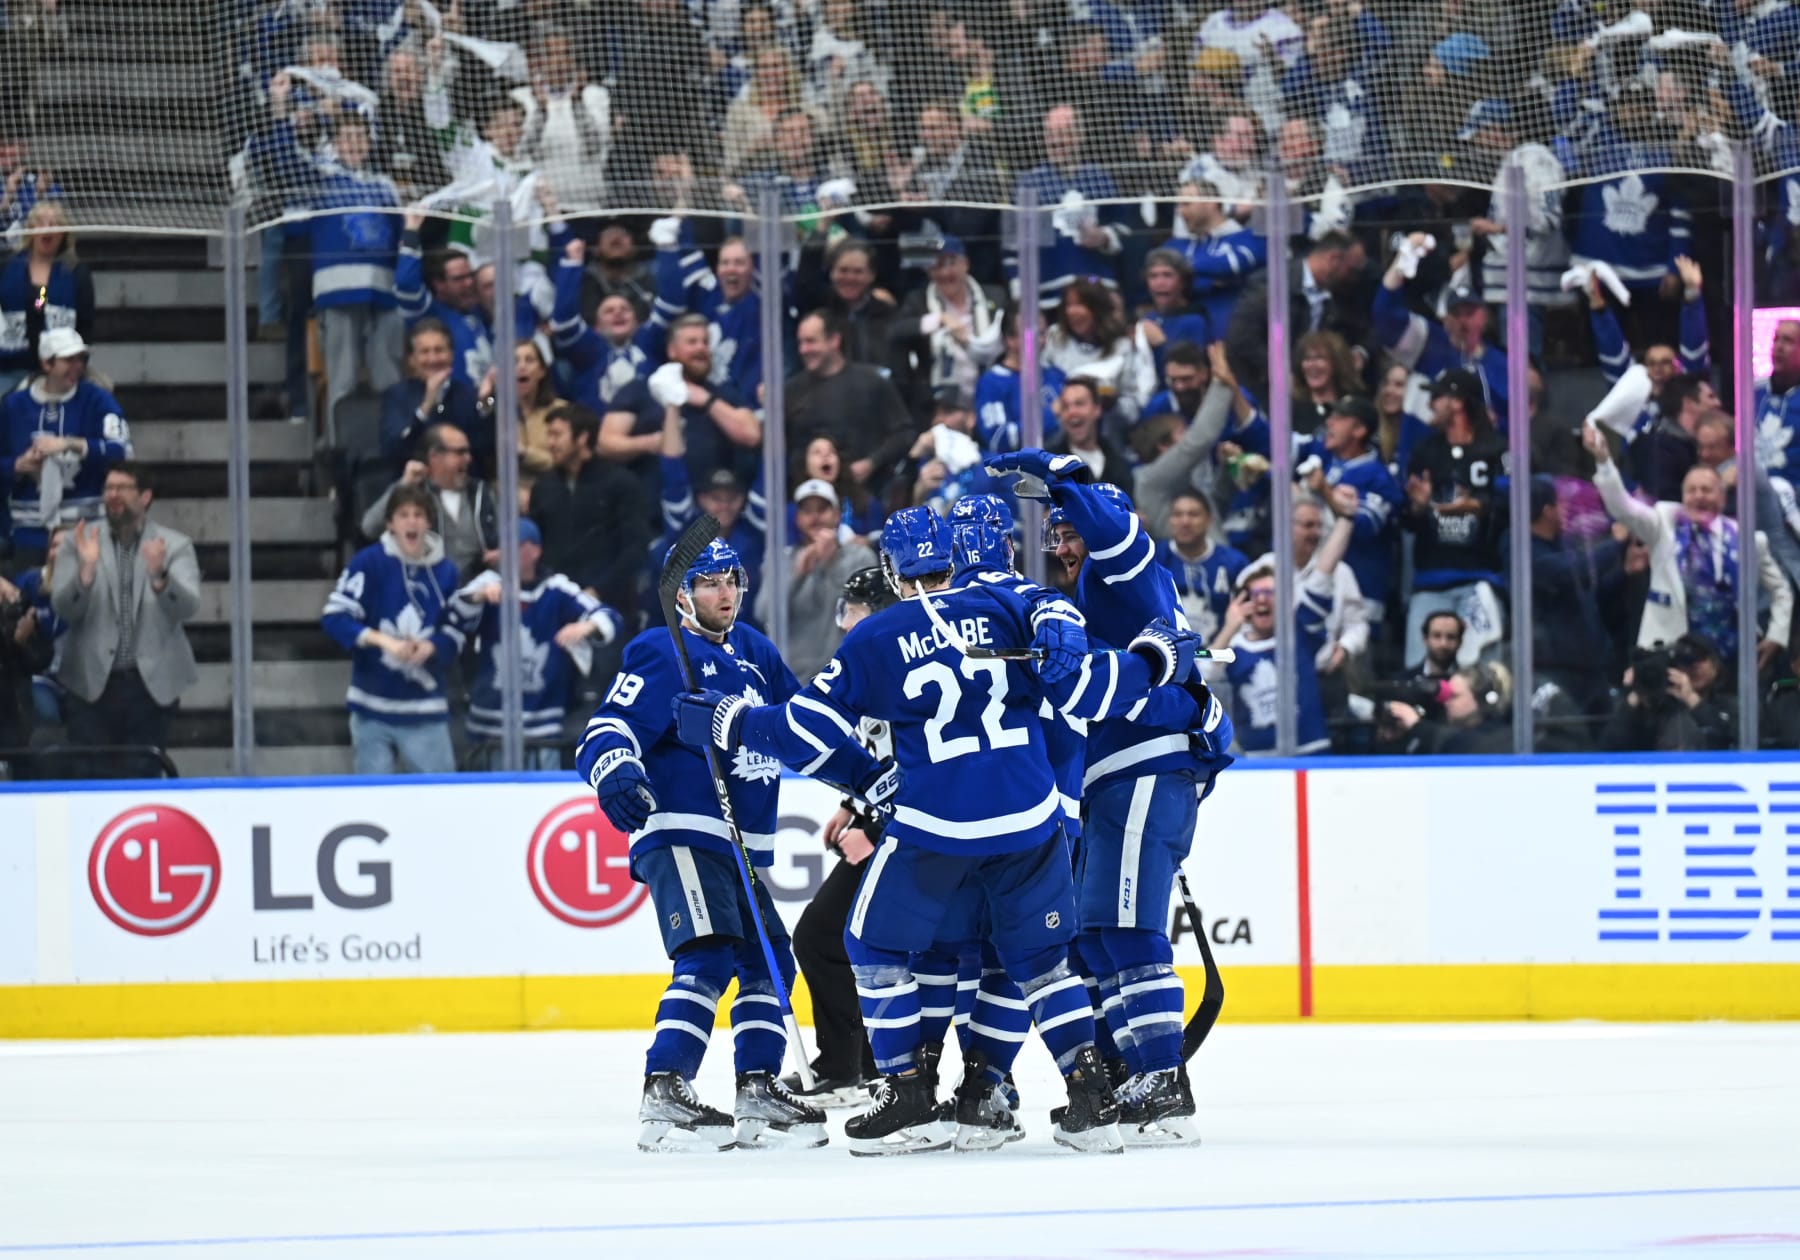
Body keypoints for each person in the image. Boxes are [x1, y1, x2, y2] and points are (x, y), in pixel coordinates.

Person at [672, 507, 1206, 1155]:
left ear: (894, 572)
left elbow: (805, 733)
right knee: (1035, 962)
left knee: (872, 944)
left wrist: (729, 720)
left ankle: (911, 1094)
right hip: (1034, 813)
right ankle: (1082, 1095)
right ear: (958, 559)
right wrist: (1156, 662)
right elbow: (1091, 685)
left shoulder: (879, 636)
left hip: (940, 821)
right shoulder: (1017, 608)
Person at [576, 537, 885, 1152]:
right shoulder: (664, 650)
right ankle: (665, 1087)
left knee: (770, 960)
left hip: (738, 846)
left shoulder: (756, 653)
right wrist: (616, 768)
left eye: (733, 581)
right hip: (684, 829)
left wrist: (870, 779)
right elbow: (607, 727)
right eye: (711, 583)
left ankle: (758, 1089)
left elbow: (801, 732)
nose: (726, 594)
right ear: (682, 596)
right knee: (710, 955)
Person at [989, 451, 1236, 1147]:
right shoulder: (1092, 592)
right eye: (1055, 536)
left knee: (1126, 929)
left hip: (1144, 769)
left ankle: (1162, 1077)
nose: (1063, 547)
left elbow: (1118, 534)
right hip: (1116, 777)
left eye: (1071, 531)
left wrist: (1068, 474)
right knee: (1098, 937)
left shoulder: (1122, 571)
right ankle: (1139, 1070)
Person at [782, 565, 893, 1103]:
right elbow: (884, 758)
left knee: (834, 938)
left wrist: (878, 830)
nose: (847, 626)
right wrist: (855, 804)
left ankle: (863, 1066)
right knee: (834, 938)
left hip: (911, 829)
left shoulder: (896, 661)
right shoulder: (878, 659)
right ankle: (857, 1064)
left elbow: (928, 768)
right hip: (891, 819)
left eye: (856, 612)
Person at [1585, 423, 1791, 677]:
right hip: (1670, 656)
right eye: (1691, 490)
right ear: (1682, 497)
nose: (1699, 496)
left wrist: (1777, 635)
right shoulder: (1663, 525)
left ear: (1722, 498)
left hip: (1731, 661)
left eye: (1707, 490)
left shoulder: (1748, 539)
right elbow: (1623, 507)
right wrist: (1604, 461)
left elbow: (1781, 590)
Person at [47, 463, 198, 767]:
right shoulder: (80, 543)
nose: (112, 495)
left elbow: (188, 606)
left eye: (122, 488)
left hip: (150, 685)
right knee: (91, 779)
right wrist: (85, 575)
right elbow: (63, 609)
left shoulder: (174, 545)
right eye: (108, 488)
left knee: (140, 778)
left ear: (145, 497)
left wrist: (161, 579)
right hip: (90, 685)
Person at [442, 519, 622, 771]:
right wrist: (479, 596)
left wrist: (586, 626)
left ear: (535, 550)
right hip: (491, 725)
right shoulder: (488, 582)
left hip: (544, 723)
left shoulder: (555, 588)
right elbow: (452, 614)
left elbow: (610, 618)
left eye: (517, 545)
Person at [321, 483, 461, 775]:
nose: (411, 521)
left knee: (440, 801)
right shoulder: (369, 563)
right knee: (373, 801)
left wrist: (432, 646)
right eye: (403, 514)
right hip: (372, 708)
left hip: (425, 711)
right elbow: (335, 616)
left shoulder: (446, 572)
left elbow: (456, 629)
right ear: (390, 524)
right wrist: (385, 642)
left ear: (428, 522)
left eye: (418, 514)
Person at [1211, 492, 1358, 755]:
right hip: (1258, 765)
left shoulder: (1299, 634)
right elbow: (1202, 671)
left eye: (1271, 593)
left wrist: (1346, 519)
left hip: (1311, 753)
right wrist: (1229, 625)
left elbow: (1323, 574)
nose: (1263, 600)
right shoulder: (1233, 647)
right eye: (1256, 595)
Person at [1401, 369, 1508, 670]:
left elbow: (1513, 505)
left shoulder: (1498, 449)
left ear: (1458, 403)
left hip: (1481, 578)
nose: (1431, 403)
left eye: (1438, 396)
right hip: (1430, 580)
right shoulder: (1424, 452)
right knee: (1420, 670)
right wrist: (1418, 508)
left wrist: (1476, 506)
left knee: (1485, 673)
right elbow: (1406, 521)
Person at [0, 329, 130, 570]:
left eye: (81, 359)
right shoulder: (13, 406)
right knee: (28, 602)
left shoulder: (97, 399)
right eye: (68, 360)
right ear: (47, 364)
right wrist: (17, 466)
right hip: (28, 533)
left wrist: (73, 444)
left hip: (86, 528)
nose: (77, 366)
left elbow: (120, 449)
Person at [528, 406, 651, 618]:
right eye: (549, 435)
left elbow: (635, 547)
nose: (551, 443)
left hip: (609, 608)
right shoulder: (543, 487)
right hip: (556, 607)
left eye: (557, 435)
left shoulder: (621, 484)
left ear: (582, 438)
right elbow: (537, 547)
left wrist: (599, 590)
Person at [754, 479, 876, 681]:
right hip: (795, 680)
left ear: (837, 515)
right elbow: (763, 612)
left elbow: (864, 614)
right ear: (798, 519)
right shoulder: (781, 560)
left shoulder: (860, 557)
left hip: (847, 678)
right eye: (807, 511)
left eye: (822, 509)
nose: (815, 517)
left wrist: (829, 563)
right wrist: (797, 575)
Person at [784, 309, 917, 493]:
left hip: (866, 497)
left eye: (811, 341)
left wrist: (872, 463)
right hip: (809, 502)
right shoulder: (791, 391)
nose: (803, 350)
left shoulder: (872, 382)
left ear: (834, 340)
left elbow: (904, 433)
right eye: (800, 342)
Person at [362, 424, 497, 577]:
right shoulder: (415, 491)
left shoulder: (482, 492)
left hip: (482, 585)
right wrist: (404, 483)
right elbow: (369, 527)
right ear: (435, 456)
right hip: (429, 581)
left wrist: (501, 553)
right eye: (460, 452)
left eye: (468, 452)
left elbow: (506, 536)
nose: (468, 458)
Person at [0, 200, 93, 396]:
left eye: (54, 224)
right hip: (11, 367)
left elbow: (85, 323)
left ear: (63, 233)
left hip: (61, 368)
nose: (47, 229)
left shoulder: (76, 271)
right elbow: (37, 302)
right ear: (31, 229)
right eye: (41, 223)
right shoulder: (7, 267)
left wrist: (75, 364)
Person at [379, 320, 483, 473]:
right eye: (425, 352)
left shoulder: (468, 395)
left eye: (439, 350)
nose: (433, 359)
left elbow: (484, 449)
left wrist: (487, 401)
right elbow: (393, 451)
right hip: (414, 488)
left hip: (464, 486)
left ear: (451, 355)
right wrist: (426, 406)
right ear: (412, 360)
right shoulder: (396, 397)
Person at [1156, 490, 1247, 642]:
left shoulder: (1234, 563)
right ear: (1170, 520)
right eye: (1178, 515)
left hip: (1222, 654)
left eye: (1193, 514)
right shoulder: (1154, 559)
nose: (1185, 522)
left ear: (1209, 520)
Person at [1047, 379, 1132, 492]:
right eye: (1065, 407)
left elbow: (1132, 507)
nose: (1072, 412)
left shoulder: (1118, 462)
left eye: (1079, 404)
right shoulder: (1050, 464)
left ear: (1097, 409)